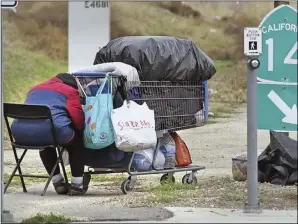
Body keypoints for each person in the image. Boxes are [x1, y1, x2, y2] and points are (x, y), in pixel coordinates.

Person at [11, 73, 90, 195]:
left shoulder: (34, 89)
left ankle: (58, 183)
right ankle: (77, 185)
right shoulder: (70, 91)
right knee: (76, 143)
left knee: (45, 142)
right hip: (53, 131)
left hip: (19, 133)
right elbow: (78, 120)